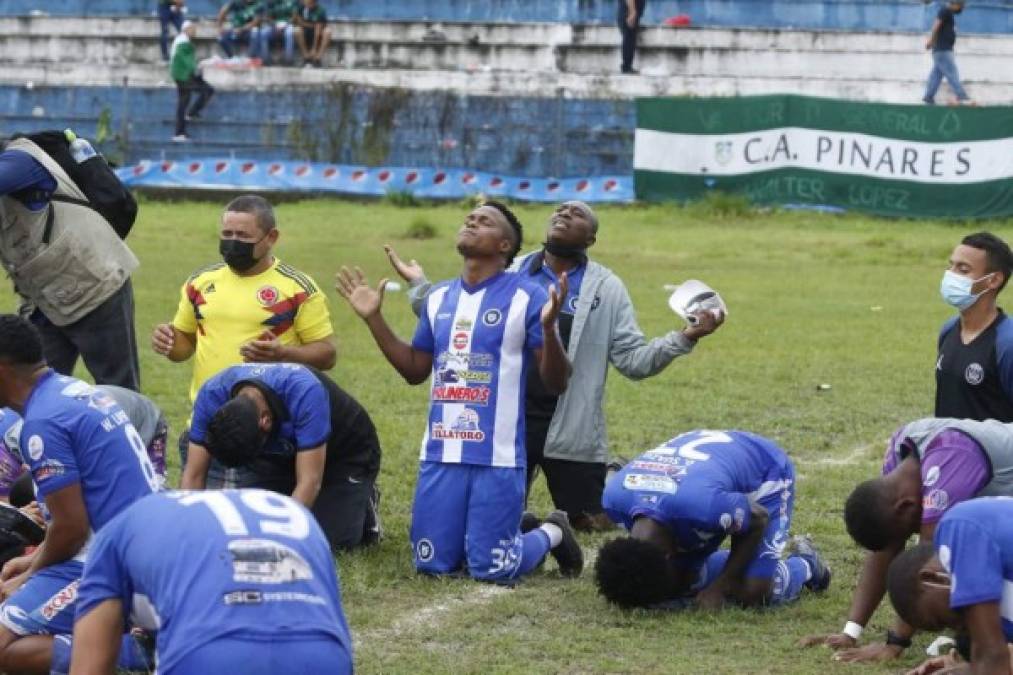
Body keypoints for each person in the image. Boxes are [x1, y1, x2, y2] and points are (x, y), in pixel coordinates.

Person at [390, 200, 723, 531]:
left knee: (590, 522)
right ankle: (539, 528)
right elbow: (462, 315)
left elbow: (634, 361)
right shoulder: (511, 271)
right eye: (561, 210)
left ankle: (612, 475)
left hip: (570, 424)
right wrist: (420, 287)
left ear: (590, 239)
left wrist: (685, 337)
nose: (565, 214)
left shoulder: (607, 289)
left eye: (578, 215)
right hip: (508, 422)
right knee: (492, 518)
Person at [336, 201, 584, 582]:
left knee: (492, 570)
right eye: (470, 218)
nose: (471, 221)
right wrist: (374, 319)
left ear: (504, 246)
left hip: (496, 457)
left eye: (484, 221)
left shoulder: (529, 297)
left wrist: (549, 331)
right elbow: (415, 370)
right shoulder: (438, 298)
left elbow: (557, 382)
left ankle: (551, 532)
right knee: (432, 565)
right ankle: (505, 527)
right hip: (441, 451)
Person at [0, 316, 157, 674]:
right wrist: (36, 558)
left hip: (109, 561)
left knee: (5, 650)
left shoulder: (43, 423)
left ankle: (135, 655)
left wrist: (30, 576)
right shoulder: (70, 390)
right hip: (135, 545)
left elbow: (72, 529)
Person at [801, 416, 1013, 663]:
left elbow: (925, 563)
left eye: (910, 530)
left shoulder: (952, 459)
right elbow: (886, 551)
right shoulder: (899, 456)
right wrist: (851, 630)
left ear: (906, 506)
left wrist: (895, 643)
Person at [71, 489, 353, 674]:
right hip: (322, 651)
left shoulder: (110, 540)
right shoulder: (293, 508)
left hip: (210, 652)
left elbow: (89, 667)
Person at [151, 194, 336, 466]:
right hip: (208, 422)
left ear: (271, 237)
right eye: (227, 233)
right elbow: (183, 347)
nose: (233, 242)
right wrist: (168, 342)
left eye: (243, 235)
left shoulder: (297, 288)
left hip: (267, 431)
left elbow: (327, 354)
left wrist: (283, 353)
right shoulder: (200, 282)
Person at [595, 429, 829, 609]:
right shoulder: (613, 498)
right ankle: (716, 566)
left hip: (763, 472)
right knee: (678, 582)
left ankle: (806, 563)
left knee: (752, 591)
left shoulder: (703, 507)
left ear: (669, 554)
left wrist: (722, 585)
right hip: (698, 473)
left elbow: (758, 519)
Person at [181, 363, 381, 551]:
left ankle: (363, 498)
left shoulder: (304, 392)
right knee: (250, 528)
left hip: (345, 456)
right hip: (283, 456)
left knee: (326, 540)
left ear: (265, 421)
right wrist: (189, 534)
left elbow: (309, 482)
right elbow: (193, 475)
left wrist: (281, 542)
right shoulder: (211, 394)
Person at [0, 137, 140, 391]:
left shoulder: (21, 160)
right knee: (30, 386)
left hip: (96, 284)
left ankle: (127, 432)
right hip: (45, 299)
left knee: (117, 389)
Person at [887, 497, 1013, 675]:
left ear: (931, 578)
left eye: (942, 620)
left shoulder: (957, 526)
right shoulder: (1001, 618)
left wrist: (985, 659)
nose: (957, 628)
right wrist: (971, 669)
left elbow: (992, 654)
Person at [936, 232, 1013, 422]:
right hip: (948, 450)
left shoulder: (1007, 344)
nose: (951, 275)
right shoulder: (948, 330)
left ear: (993, 280)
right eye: (950, 265)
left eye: (963, 270)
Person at [170, 20, 215, 143]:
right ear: (186, 29)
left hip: (181, 75)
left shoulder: (181, 41)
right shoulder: (183, 42)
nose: (195, 32)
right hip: (184, 76)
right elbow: (186, 61)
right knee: (204, 91)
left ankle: (184, 124)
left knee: (185, 101)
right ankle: (181, 128)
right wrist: (196, 71)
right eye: (193, 29)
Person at [923, 0, 972, 105]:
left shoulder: (948, 13)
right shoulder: (945, 11)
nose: (961, 9)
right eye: (961, 6)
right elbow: (936, 25)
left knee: (936, 75)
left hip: (941, 50)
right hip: (943, 50)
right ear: (956, 4)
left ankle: (928, 96)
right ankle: (962, 95)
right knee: (952, 72)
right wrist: (931, 40)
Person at [258, 0, 298, 65]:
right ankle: (265, 59)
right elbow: (267, 17)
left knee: (289, 33)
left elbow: (294, 16)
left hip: (287, 24)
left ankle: (289, 60)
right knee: (263, 32)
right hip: (273, 25)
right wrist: (274, 25)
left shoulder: (292, 2)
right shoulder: (271, 2)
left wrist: (286, 25)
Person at [294, 0, 331, 68]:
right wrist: (311, 25)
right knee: (297, 30)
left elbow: (318, 29)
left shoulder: (320, 10)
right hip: (305, 32)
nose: (306, 3)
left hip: (318, 33)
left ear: (314, 2)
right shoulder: (301, 8)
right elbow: (298, 22)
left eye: (309, 2)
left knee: (328, 31)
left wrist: (314, 48)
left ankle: (317, 59)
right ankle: (306, 58)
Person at [618, 0, 646, 74]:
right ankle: (626, 67)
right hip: (628, 13)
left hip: (628, 13)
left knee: (630, 39)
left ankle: (627, 66)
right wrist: (632, 12)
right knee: (628, 40)